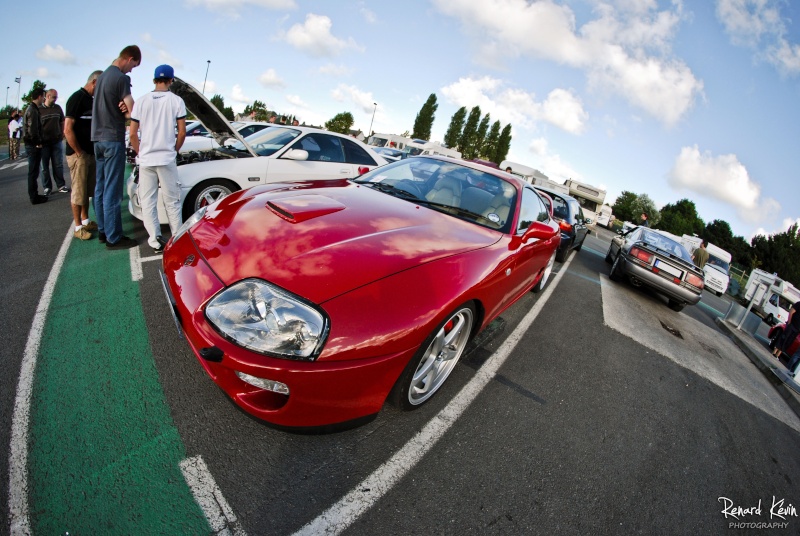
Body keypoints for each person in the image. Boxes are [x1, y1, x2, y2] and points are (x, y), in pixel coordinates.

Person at [128, 64, 186, 253]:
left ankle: (154, 241)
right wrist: (174, 150)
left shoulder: (141, 101)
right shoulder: (176, 101)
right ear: (171, 80)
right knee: (172, 200)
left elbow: (133, 134)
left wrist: (140, 152)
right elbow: (182, 132)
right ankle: (176, 237)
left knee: (148, 201)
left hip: (146, 161)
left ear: (154, 80)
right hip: (166, 159)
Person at [92, 45, 141, 250]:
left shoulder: (101, 77)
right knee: (113, 190)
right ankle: (114, 237)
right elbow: (133, 110)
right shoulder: (121, 79)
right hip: (113, 138)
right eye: (134, 66)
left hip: (97, 138)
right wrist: (128, 114)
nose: (132, 70)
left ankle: (104, 230)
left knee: (100, 188)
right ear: (129, 59)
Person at [65, 71, 103, 241]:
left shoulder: (91, 100)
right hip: (78, 154)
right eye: (100, 85)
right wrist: (78, 152)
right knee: (78, 191)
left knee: (87, 190)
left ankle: (86, 220)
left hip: (89, 153)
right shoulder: (76, 98)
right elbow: (67, 129)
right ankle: (78, 226)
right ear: (94, 82)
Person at [39, 88, 70, 195]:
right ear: (47, 96)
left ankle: (61, 185)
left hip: (56, 140)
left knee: (58, 164)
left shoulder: (57, 108)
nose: (56, 99)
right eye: (54, 97)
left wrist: (62, 132)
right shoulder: (39, 110)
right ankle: (47, 187)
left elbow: (62, 121)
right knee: (44, 166)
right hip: (44, 143)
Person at [23, 88, 48, 205]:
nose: (44, 98)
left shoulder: (32, 109)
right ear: (39, 96)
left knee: (33, 171)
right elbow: (32, 129)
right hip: (33, 145)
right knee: (33, 172)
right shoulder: (32, 110)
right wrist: (37, 142)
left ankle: (35, 195)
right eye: (43, 96)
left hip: (31, 144)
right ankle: (34, 196)